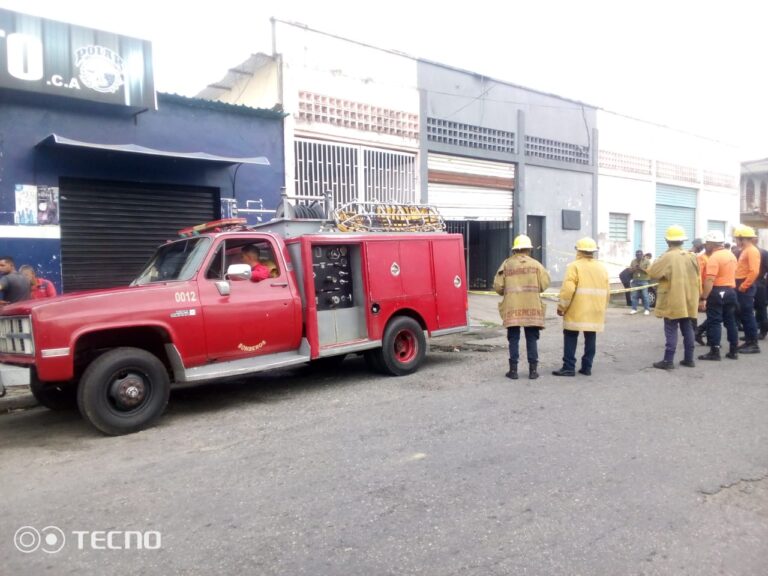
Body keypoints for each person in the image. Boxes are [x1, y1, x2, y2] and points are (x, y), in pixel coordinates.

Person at [493, 234, 551, 380]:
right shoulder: (536, 265)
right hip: (532, 308)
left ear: (515, 250)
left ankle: (513, 371)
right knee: (531, 339)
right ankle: (533, 371)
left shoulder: (506, 264)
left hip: (513, 309)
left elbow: (498, 287)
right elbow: (544, 285)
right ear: (529, 250)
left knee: (514, 339)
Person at [552, 237, 610, 377]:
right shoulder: (601, 267)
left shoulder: (574, 266)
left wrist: (562, 307)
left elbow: (568, 290)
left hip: (576, 309)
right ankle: (587, 367)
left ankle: (569, 367)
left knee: (571, 336)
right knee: (591, 337)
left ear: (578, 250)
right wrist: (603, 307)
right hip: (595, 309)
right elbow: (607, 291)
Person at [647, 225, 700, 369]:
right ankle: (689, 359)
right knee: (687, 327)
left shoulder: (668, 256)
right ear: (682, 240)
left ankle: (668, 360)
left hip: (672, 298)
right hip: (689, 298)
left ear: (667, 240)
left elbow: (652, 272)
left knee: (671, 328)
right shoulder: (691, 256)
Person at [698, 231, 739, 361]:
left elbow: (710, 280)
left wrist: (703, 297)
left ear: (712, 243)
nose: (705, 246)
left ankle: (714, 351)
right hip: (731, 291)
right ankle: (733, 350)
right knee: (730, 321)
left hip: (717, 291)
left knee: (714, 321)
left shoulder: (714, 258)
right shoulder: (731, 255)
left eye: (707, 243)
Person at [733, 225, 761, 354]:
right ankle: (749, 341)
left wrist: (744, 286)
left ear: (742, 238)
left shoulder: (751, 251)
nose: (735, 241)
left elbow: (754, 271)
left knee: (748, 314)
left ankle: (753, 344)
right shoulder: (746, 249)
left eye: (737, 238)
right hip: (742, 283)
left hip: (745, 285)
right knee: (744, 314)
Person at [691, 238, 709, 345]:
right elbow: (700, 276)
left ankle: (696, 332)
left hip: (699, 288)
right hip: (700, 289)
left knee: (693, 314)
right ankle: (695, 332)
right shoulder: (699, 257)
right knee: (692, 314)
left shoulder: (699, 256)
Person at [628, 250, 651, 315]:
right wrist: (634, 268)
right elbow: (630, 271)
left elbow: (648, 271)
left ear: (642, 255)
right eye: (637, 255)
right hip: (635, 280)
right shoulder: (633, 261)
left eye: (639, 255)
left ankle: (647, 309)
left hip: (644, 280)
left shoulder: (647, 261)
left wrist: (640, 268)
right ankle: (634, 309)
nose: (638, 256)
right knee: (634, 296)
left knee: (645, 295)